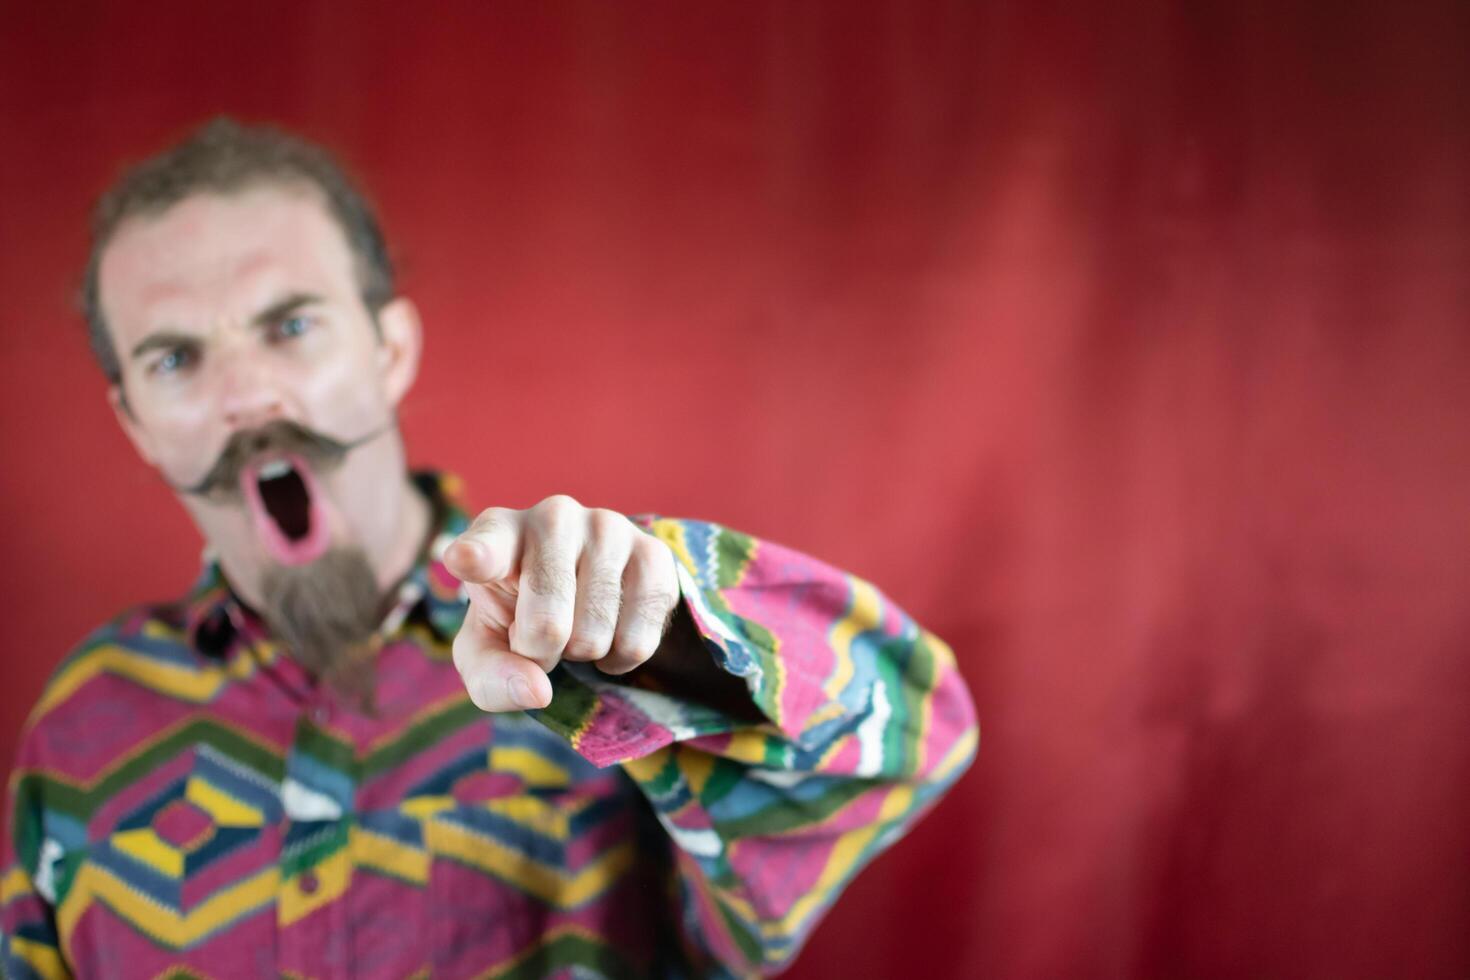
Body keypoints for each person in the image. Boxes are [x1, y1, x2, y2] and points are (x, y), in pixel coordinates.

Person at [0, 119, 977, 979]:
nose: (247, 396)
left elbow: (913, 742)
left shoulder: (586, 645)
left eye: (291, 325)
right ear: (133, 421)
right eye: (175, 358)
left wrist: (671, 641)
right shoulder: (80, 731)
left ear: (390, 351)